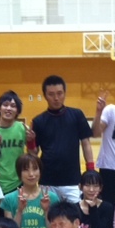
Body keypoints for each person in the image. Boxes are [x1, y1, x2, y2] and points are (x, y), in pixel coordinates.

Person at [30, 75, 94, 203]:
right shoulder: (38, 121)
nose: (56, 98)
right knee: (48, 214)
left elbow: (86, 143)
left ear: (65, 93)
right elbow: (33, 154)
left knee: (75, 213)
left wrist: (91, 170)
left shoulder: (77, 115)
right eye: (51, 94)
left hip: (72, 181)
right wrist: (30, 141)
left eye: (59, 93)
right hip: (47, 181)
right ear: (45, 96)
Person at [0, 90, 34, 195]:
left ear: (18, 111)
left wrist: (31, 141)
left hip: (18, 182)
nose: (9, 108)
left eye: (13, 106)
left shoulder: (23, 129)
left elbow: (33, 155)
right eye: (5, 105)